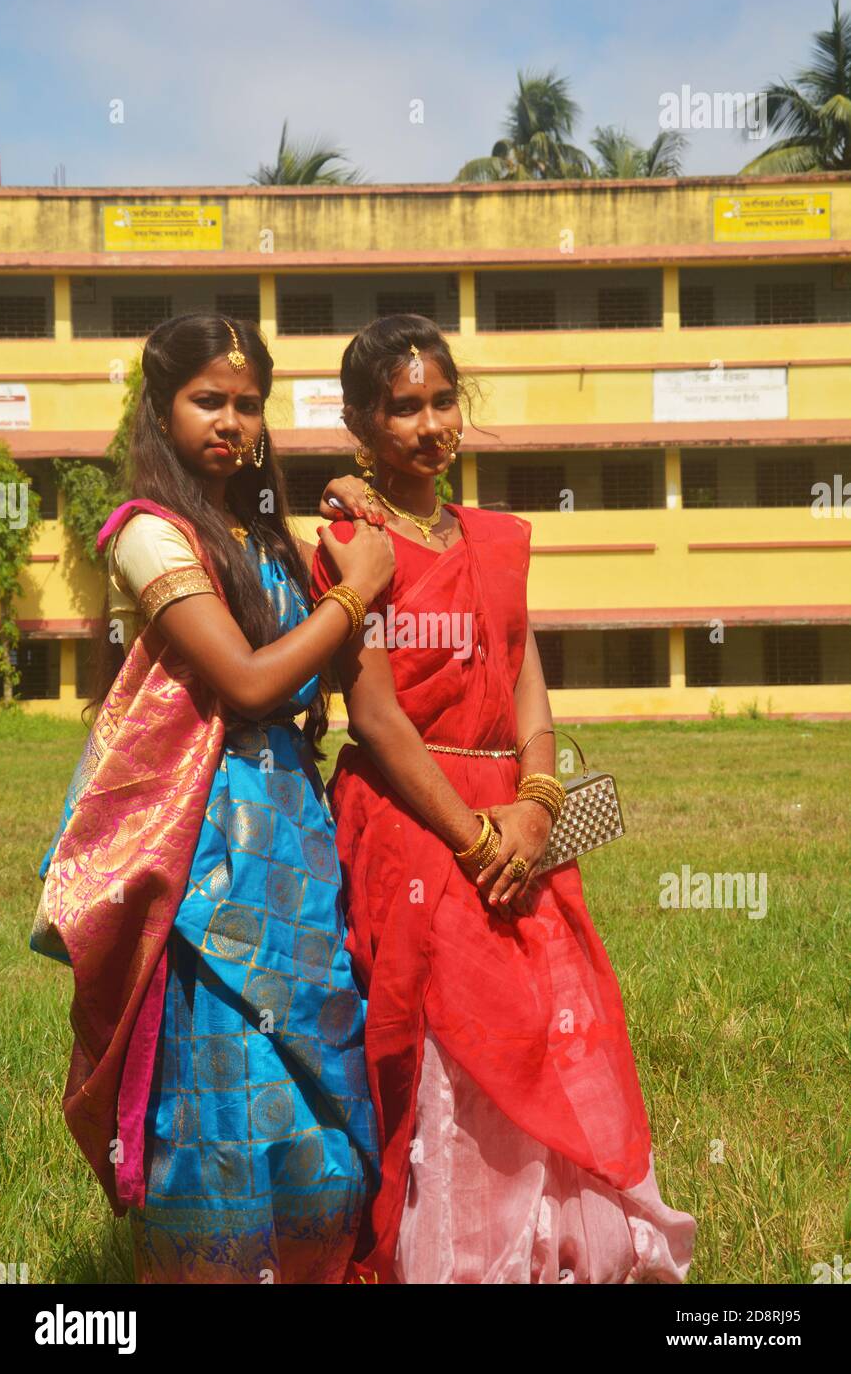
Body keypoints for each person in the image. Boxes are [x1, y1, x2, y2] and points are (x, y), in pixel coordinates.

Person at [309, 313, 698, 1285]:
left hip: (514, 812)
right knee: (440, 1036)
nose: (429, 423)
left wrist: (536, 795)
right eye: (402, 407)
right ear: (361, 422)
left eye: (443, 401)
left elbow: (525, 668)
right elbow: (376, 718)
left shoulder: (492, 540)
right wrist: (477, 837)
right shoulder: (350, 543)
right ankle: (448, 1249)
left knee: (543, 1023)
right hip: (411, 818)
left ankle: (552, 1249)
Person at [30, 312, 395, 1284]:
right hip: (209, 842)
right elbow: (244, 681)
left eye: (248, 403)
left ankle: (315, 1256)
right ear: (160, 409)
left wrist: (358, 513)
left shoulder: (259, 532)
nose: (231, 421)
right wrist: (350, 595)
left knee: (316, 1060)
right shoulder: (149, 533)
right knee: (227, 1068)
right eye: (207, 400)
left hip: (294, 825)